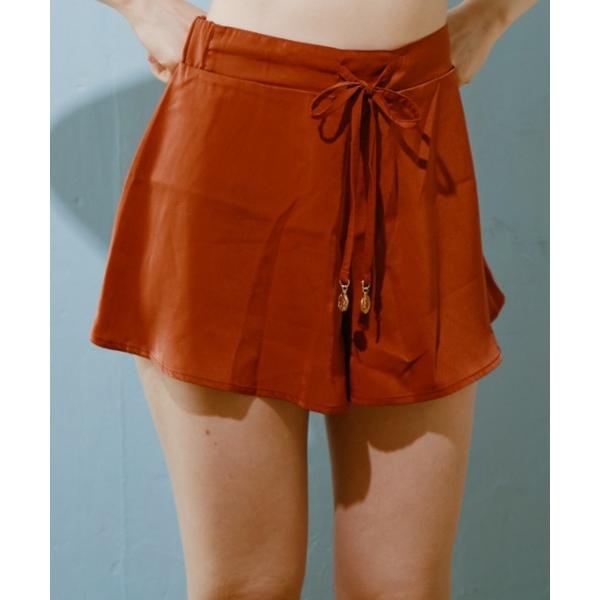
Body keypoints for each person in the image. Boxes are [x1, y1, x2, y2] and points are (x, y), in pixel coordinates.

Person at [92, 1, 538, 598]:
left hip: (410, 128)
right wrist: (145, 9)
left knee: (400, 588)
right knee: (247, 587)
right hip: (240, 128)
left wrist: (493, 15)